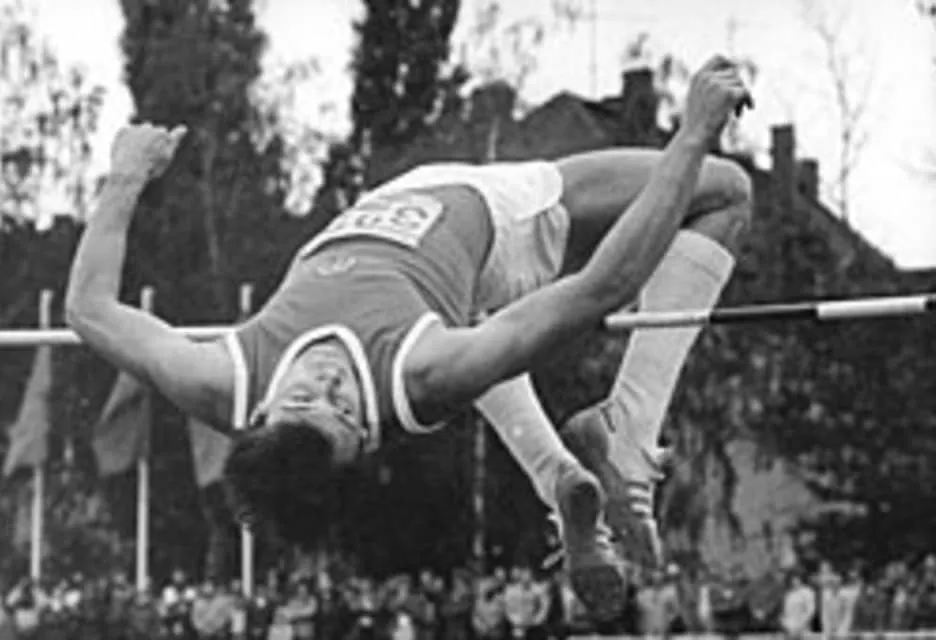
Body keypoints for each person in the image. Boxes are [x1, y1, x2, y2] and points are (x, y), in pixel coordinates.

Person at [66, 55, 752, 620]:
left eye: (304, 397)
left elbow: (89, 311)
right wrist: (692, 135)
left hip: (399, 206)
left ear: (260, 414)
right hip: (501, 222)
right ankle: (628, 426)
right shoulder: (418, 371)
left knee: (479, 337)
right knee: (726, 192)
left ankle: (559, 475)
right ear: (364, 439)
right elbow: (600, 287)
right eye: (342, 409)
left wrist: (124, 178)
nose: (326, 383)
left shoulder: (221, 379)